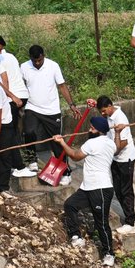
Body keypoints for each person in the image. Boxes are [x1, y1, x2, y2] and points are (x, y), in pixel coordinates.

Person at [53, 115, 126, 268]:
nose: (89, 130)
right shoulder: (110, 143)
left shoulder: (92, 143)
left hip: (101, 188)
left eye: (91, 128)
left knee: (102, 223)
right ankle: (76, 236)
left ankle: (108, 254)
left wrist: (61, 142)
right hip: (87, 187)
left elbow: (74, 156)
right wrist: (118, 133)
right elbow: (118, 148)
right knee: (70, 205)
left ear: (98, 130)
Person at [20, 45, 80, 184]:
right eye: (34, 61)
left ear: (43, 56)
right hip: (32, 107)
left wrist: (72, 105)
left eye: (39, 60)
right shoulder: (23, 67)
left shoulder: (53, 66)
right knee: (28, 132)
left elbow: (62, 86)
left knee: (56, 141)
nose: (37, 63)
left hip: (51, 110)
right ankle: (31, 159)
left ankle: (66, 172)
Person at [93, 96, 135, 234]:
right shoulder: (109, 116)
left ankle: (132, 222)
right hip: (116, 158)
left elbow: (123, 142)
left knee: (126, 190)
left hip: (126, 159)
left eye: (103, 110)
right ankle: (130, 218)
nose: (102, 114)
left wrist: (110, 152)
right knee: (118, 190)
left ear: (109, 106)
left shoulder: (120, 119)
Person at [0, 41, 31, 173]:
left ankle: (17, 165)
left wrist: (7, 97)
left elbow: (5, 80)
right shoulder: (11, 56)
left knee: (10, 133)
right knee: (14, 130)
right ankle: (15, 163)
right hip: (23, 94)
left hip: (12, 97)